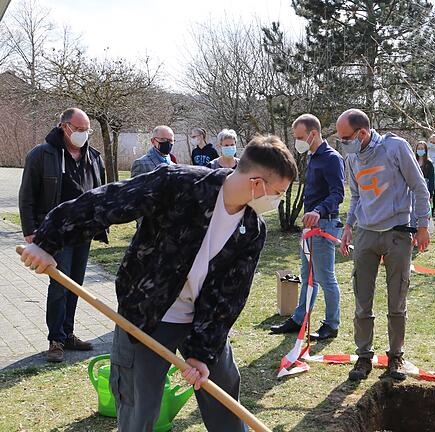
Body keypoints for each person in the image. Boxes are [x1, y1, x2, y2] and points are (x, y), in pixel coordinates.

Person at [19, 135, 298, 431]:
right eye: (277, 192)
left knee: (225, 396)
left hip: (202, 323)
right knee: (140, 406)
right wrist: (47, 241)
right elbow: (107, 201)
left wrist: (202, 354)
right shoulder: (179, 184)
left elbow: (229, 295)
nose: (276, 201)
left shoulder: (252, 229)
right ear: (257, 183)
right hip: (146, 316)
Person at [338, 109, 431, 382]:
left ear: (362, 133)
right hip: (366, 233)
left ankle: (395, 357)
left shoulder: (395, 147)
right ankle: (363, 357)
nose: (342, 144)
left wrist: (422, 225)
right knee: (362, 300)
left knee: (396, 299)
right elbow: (355, 195)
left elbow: (419, 187)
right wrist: (347, 226)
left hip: (397, 234)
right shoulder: (352, 157)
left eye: (346, 138)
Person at [18, 107, 106, 362]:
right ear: (64, 127)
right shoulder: (41, 155)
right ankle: (55, 339)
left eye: (86, 130)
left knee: (75, 285)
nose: (83, 134)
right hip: (56, 233)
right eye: (78, 130)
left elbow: (101, 192)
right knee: (59, 285)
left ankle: (68, 333)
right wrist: (30, 233)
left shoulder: (94, 157)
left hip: (83, 232)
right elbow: (27, 197)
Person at [271, 114, 345, 341]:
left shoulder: (332, 158)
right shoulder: (312, 157)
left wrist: (318, 211)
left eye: (300, 137)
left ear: (314, 134)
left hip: (323, 225)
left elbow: (338, 193)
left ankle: (331, 324)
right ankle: (299, 318)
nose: (298, 142)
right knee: (307, 274)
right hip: (309, 226)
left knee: (325, 277)